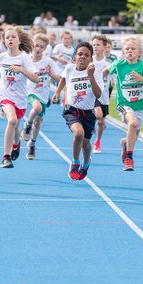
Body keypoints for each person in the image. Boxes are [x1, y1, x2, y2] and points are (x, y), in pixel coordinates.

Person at [0, 27, 39, 168]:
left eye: (13, 37)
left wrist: (21, 69)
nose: (10, 39)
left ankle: (16, 143)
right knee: (12, 120)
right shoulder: (1, 57)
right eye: (7, 37)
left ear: (19, 40)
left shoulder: (24, 58)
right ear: (4, 42)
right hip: (4, 95)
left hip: (20, 98)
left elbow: (36, 79)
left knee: (15, 127)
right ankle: (6, 157)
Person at [52, 42, 103, 180]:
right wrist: (57, 92)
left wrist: (90, 76)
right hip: (72, 110)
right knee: (78, 134)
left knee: (86, 143)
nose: (83, 57)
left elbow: (98, 94)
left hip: (88, 113)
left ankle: (86, 163)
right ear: (74, 57)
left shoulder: (95, 72)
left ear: (91, 59)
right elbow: (63, 78)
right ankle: (75, 162)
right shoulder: (69, 69)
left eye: (87, 55)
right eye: (80, 54)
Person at [106, 37, 143, 171]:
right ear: (123, 51)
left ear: (139, 52)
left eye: (133, 48)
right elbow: (104, 71)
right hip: (123, 104)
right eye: (127, 48)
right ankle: (129, 158)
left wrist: (142, 79)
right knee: (133, 124)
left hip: (140, 105)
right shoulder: (119, 65)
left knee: (135, 134)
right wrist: (106, 79)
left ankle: (125, 145)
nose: (130, 51)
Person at [21, 33, 60, 159]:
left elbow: (58, 78)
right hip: (30, 91)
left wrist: (50, 74)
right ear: (32, 45)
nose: (38, 49)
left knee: (38, 122)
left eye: (41, 47)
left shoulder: (49, 62)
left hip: (44, 94)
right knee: (36, 108)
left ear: (45, 49)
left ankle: (32, 144)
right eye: (36, 45)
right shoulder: (26, 59)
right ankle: (27, 125)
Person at [91, 35, 111, 153]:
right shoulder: (89, 61)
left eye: (98, 45)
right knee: (98, 116)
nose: (95, 47)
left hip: (104, 96)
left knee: (100, 121)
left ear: (104, 47)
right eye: (94, 45)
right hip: (91, 94)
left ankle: (97, 141)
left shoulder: (109, 63)